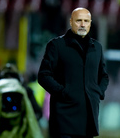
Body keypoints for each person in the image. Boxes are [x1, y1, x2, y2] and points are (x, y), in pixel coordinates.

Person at [38, 7, 109, 138]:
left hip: (89, 119)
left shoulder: (97, 47)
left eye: (86, 21)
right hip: (63, 118)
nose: (83, 24)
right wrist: (62, 92)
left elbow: (104, 76)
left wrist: (98, 92)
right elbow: (43, 75)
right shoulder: (57, 45)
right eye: (79, 21)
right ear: (71, 22)